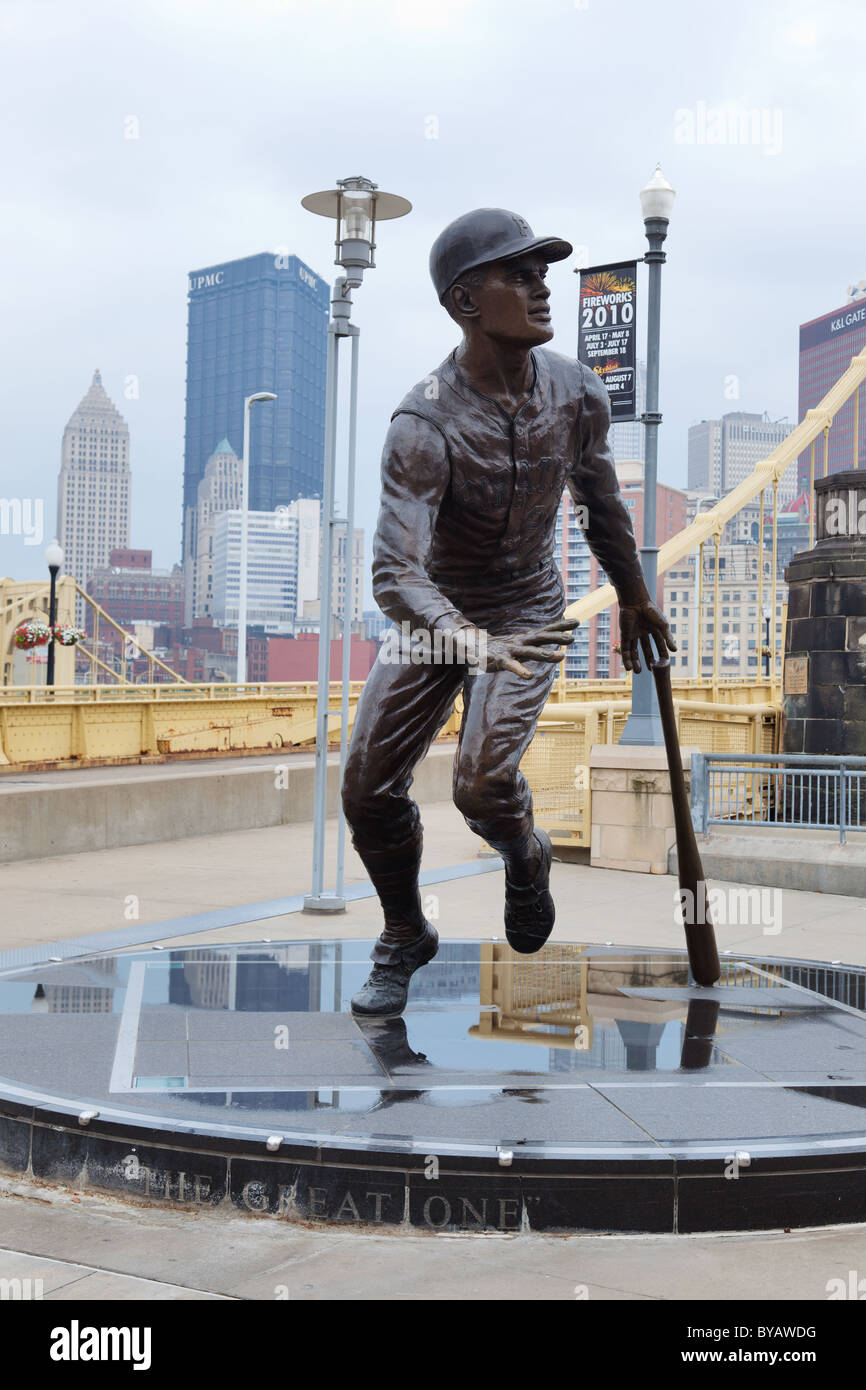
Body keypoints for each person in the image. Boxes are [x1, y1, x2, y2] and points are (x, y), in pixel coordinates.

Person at [342, 208, 675, 1017]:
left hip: (528, 609)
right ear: (465, 301)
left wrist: (634, 597)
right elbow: (395, 571)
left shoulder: (578, 393)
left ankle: (526, 858)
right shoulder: (422, 425)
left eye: (543, 271)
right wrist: (461, 640)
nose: (540, 286)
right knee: (365, 789)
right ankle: (404, 934)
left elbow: (601, 504)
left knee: (483, 787)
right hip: (438, 616)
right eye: (518, 274)